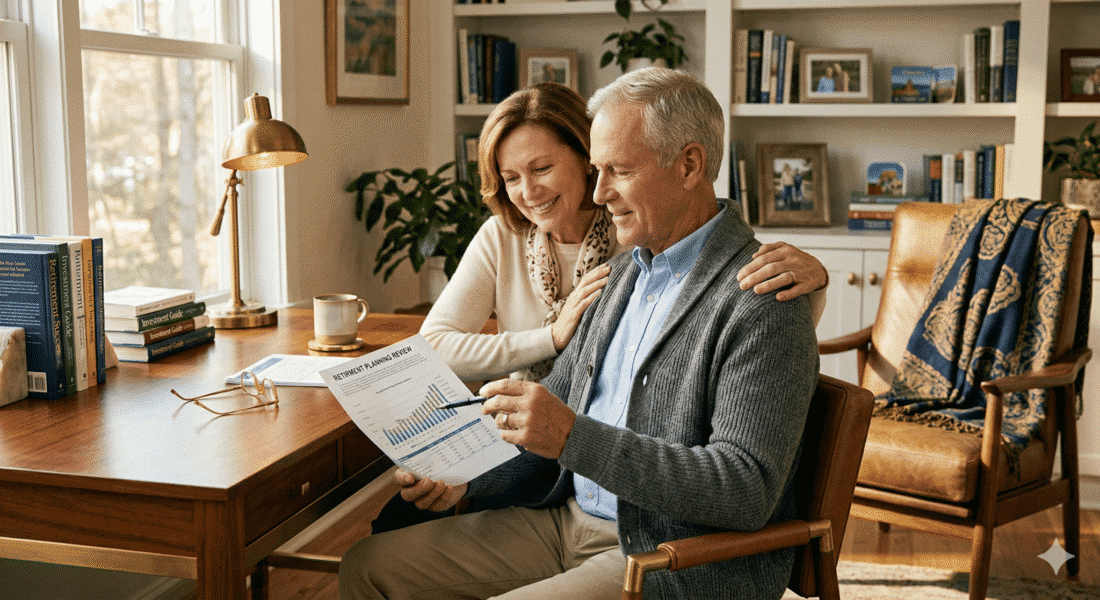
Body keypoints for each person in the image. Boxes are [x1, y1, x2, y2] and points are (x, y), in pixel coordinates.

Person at [340, 68, 820, 600]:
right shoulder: (621, 276)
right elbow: (547, 416)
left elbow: (746, 489)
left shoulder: (765, 297)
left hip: (663, 554)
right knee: (369, 566)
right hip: (566, 518)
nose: (600, 192)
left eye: (618, 170)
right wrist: (463, 481)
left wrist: (573, 436)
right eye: (596, 170)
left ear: (690, 165)